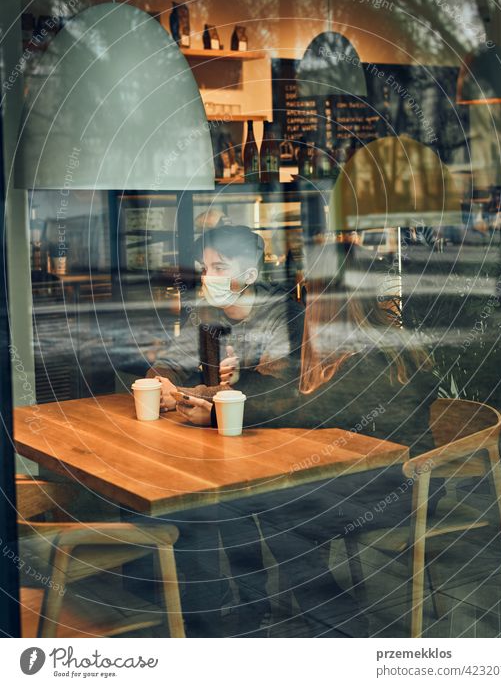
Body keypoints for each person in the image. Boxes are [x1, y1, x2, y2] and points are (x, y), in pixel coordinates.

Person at [177, 241, 443, 636]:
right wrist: (225, 394)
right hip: (363, 474)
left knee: (271, 511)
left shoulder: (367, 352)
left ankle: (337, 625)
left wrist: (220, 410)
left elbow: (310, 409)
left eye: (309, 289)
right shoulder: (354, 339)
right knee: (252, 504)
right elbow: (294, 396)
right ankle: (274, 613)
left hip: (398, 487)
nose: (303, 299)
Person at [147, 224, 304, 636]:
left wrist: (208, 395)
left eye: (220, 267)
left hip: (276, 448)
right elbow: (169, 361)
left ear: (249, 276)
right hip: (226, 450)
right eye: (205, 267)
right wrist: (162, 382)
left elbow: (279, 392)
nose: (207, 277)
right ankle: (224, 613)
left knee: (222, 508)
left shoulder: (283, 316)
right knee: (198, 503)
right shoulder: (208, 313)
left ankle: (248, 609)